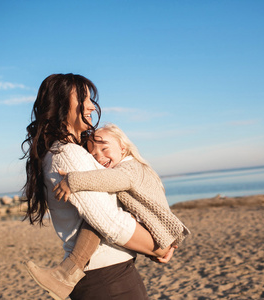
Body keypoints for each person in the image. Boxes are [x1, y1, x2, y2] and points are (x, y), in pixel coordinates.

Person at [22, 74, 176, 300]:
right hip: (107, 280)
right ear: (61, 104)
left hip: (106, 276)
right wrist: (158, 248)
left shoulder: (72, 152)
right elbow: (111, 221)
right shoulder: (67, 154)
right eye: (83, 98)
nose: (92, 106)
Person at [28, 123, 190, 297]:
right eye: (93, 154)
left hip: (156, 228)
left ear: (123, 147)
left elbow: (115, 179)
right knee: (97, 218)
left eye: (105, 148)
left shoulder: (131, 168)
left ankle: (67, 272)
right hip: (149, 231)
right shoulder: (126, 166)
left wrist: (73, 181)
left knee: (96, 219)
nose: (99, 156)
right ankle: (66, 272)